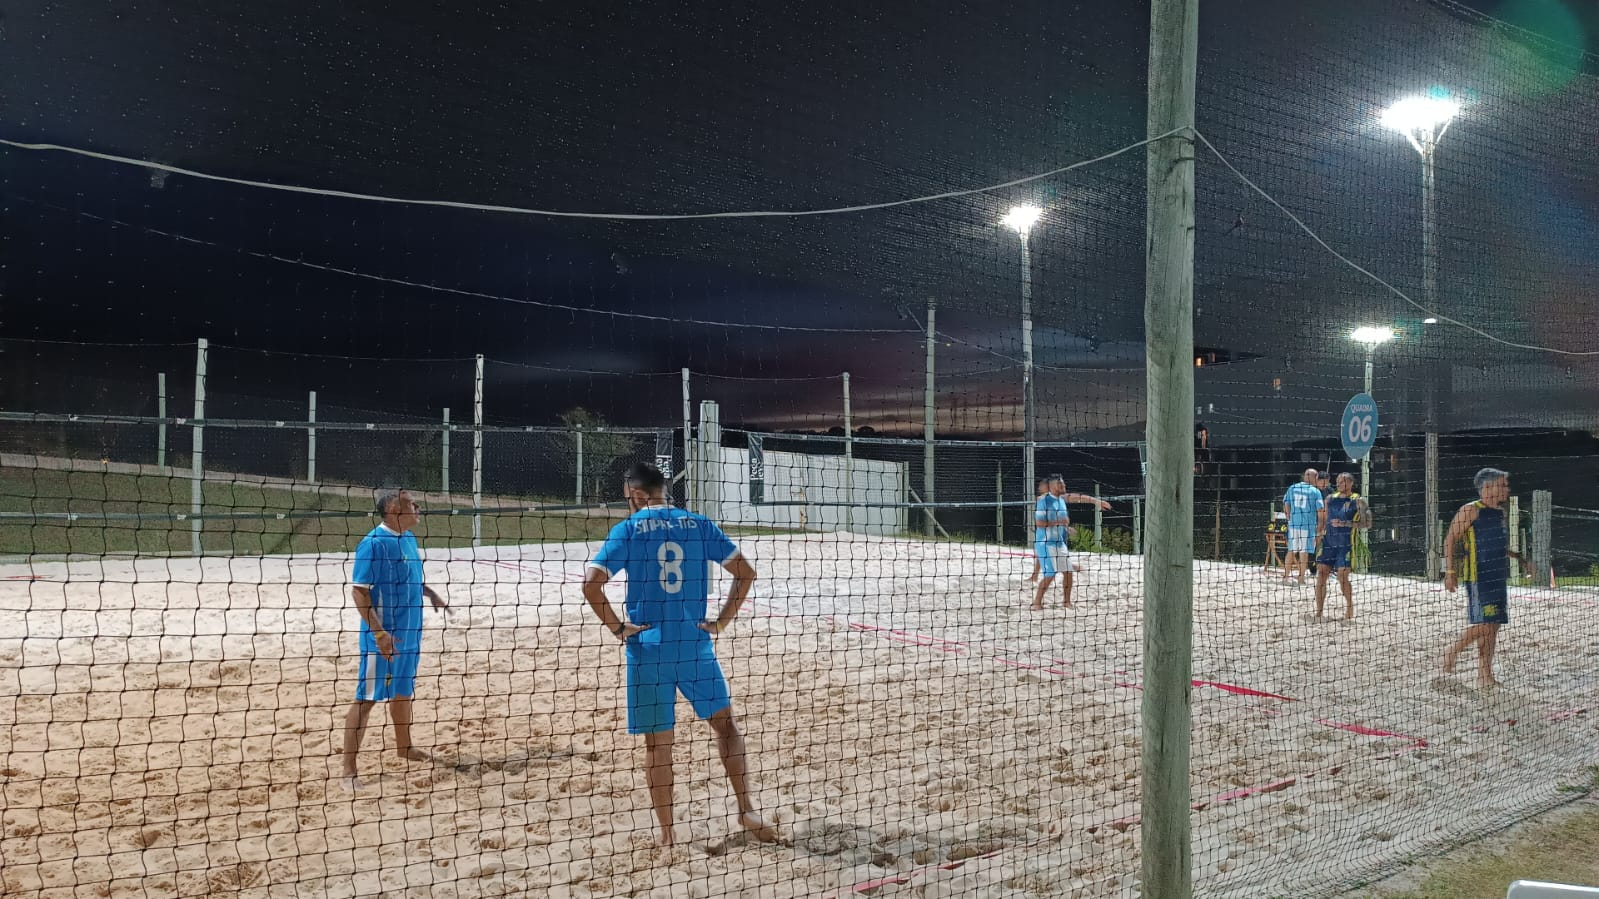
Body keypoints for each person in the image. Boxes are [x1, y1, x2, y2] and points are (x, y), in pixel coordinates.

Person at [581, 462, 778, 846]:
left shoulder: (628, 529)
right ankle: (746, 809)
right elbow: (746, 573)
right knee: (726, 728)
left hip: (649, 650)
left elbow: (591, 586)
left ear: (637, 495)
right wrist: (721, 622)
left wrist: (618, 628)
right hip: (693, 646)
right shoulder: (699, 525)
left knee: (658, 746)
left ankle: (668, 834)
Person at [342, 488, 449, 790]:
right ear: (393, 509)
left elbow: (408, 578)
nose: (418, 506)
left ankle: (405, 748)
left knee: (403, 692)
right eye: (411, 503)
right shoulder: (373, 543)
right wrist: (379, 633)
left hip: (409, 634)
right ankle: (348, 771)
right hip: (383, 639)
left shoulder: (409, 538)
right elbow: (359, 592)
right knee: (366, 699)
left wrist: (430, 593)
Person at [1442, 468, 1524, 689]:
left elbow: (1497, 546)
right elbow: (1450, 540)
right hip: (1479, 576)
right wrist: (1449, 572)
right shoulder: (1470, 510)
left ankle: (1485, 674)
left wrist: (1520, 559)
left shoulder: (1499, 513)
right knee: (1486, 624)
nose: (1507, 489)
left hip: (1498, 576)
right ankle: (1453, 651)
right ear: (1487, 487)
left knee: (1493, 626)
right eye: (1502, 485)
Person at [1031, 474, 1113, 610]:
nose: (1063, 486)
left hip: (1059, 543)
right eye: (1060, 484)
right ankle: (1036, 603)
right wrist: (1059, 523)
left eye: (1063, 483)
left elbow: (1079, 497)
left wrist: (1097, 502)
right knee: (1050, 574)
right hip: (1045, 543)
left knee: (1068, 572)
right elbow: (1039, 523)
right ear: (1051, 486)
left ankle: (1066, 602)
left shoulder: (1061, 499)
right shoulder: (1044, 501)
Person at [1313, 472, 1368, 620]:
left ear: (1350, 483)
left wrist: (1345, 523)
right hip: (1328, 543)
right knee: (1321, 574)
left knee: (1342, 577)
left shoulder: (1358, 500)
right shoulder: (1330, 499)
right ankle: (1319, 611)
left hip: (1346, 545)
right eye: (1337, 481)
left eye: (1342, 481)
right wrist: (1318, 534)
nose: (1339, 484)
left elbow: (1367, 523)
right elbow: (1323, 520)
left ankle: (1349, 607)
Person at [1281, 468, 1325, 586]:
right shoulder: (1315, 491)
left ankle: (1286, 576)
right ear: (1314, 477)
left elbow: (1286, 503)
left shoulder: (1293, 488)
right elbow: (1320, 511)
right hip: (1307, 525)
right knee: (1303, 553)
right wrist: (1320, 527)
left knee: (1291, 550)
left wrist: (1288, 517)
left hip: (1294, 524)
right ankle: (1301, 578)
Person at [1026, 478, 1048, 583]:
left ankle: (1076, 567)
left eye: (1041, 485)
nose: (1039, 487)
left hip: (1049, 530)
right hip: (1042, 531)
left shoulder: (1049, 499)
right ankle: (1034, 576)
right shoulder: (1041, 499)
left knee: (1054, 556)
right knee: (1040, 553)